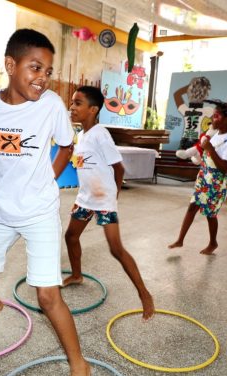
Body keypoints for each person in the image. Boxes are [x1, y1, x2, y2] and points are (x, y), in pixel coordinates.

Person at [0, 29, 89, 376]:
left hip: (38, 212)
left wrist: (50, 176)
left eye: (48, 70)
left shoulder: (50, 105)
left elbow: (67, 144)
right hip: (0, 211)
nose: (43, 77)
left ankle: (79, 366)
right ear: (11, 65)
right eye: (36, 67)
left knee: (48, 296)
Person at [64, 86, 154, 320]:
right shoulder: (82, 135)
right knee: (70, 236)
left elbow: (119, 167)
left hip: (103, 200)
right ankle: (76, 275)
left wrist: (113, 196)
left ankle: (145, 294)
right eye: (72, 102)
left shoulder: (100, 134)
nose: (72, 107)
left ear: (93, 110)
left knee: (116, 249)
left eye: (78, 103)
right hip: (85, 198)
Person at [168, 102, 227, 255]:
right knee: (192, 207)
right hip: (204, 179)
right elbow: (207, 155)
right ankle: (180, 239)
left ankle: (213, 242)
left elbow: (226, 168)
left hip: (216, 183)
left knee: (210, 214)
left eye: (216, 116)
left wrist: (210, 149)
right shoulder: (217, 134)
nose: (212, 119)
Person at [173, 77, 214, 149]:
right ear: (206, 94)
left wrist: (190, 87)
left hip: (184, 141)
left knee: (182, 158)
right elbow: (214, 126)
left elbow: (177, 94)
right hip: (199, 142)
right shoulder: (209, 111)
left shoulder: (185, 110)